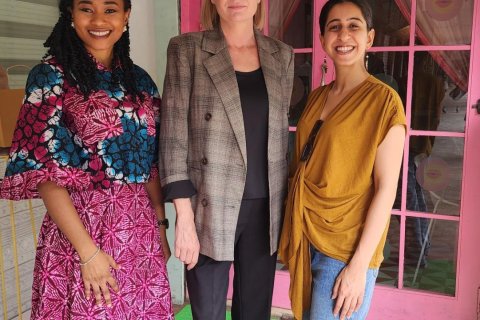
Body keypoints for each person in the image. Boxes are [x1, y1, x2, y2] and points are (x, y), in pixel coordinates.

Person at [0, 0, 173, 319]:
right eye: (85, 8)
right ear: (70, 15)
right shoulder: (50, 76)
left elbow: (150, 162)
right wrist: (87, 252)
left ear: (126, 16)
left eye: (110, 9)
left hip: (140, 231)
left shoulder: (140, 81)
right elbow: (45, 175)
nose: (98, 19)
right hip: (82, 232)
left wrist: (161, 225)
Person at [159, 0, 294, 319]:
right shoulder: (187, 49)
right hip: (207, 203)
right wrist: (184, 218)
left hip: (265, 207)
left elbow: (277, 134)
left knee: (255, 311)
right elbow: (173, 135)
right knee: (207, 311)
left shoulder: (281, 55)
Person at [278, 1, 406, 319]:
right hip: (307, 232)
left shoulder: (384, 102)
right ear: (323, 38)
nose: (343, 34)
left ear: (370, 38)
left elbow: (386, 189)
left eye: (354, 25)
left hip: (347, 248)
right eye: (334, 26)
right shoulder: (319, 96)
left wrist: (359, 265)